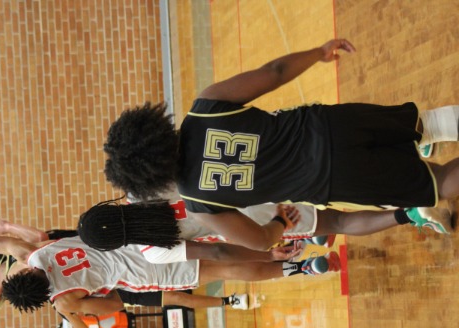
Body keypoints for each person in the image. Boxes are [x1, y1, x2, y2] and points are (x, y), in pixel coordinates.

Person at [103, 38, 459, 250]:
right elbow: (274, 72)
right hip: (330, 124)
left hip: (332, 179)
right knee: (426, 124)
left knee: (439, 183)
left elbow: (260, 241)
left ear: (149, 181)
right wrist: (318, 52)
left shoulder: (199, 203)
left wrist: (278, 221)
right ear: (149, 126)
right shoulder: (205, 107)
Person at [0, 185, 263, 312]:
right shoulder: (40, 290)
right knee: (177, 290)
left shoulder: (4, 254)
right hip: (114, 277)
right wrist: (82, 311)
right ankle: (234, 292)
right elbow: (105, 306)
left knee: (197, 238)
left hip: (98, 243)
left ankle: (263, 230)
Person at [0, 234, 339, 328]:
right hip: (140, 240)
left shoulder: (64, 302)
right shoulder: (32, 254)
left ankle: (302, 266)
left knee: (225, 268)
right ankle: (298, 237)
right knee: (222, 242)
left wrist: (74, 315)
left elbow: (113, 309)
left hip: (145, 274)